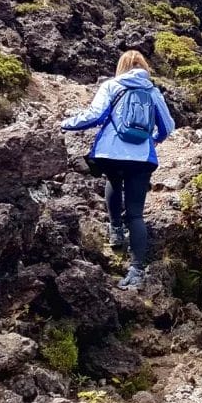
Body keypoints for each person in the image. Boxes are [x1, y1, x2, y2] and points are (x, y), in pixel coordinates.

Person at [61, 50, 176, 290]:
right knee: (136, 214)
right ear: (144, 67)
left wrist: (65, 124)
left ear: (121, 66)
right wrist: (153, 139)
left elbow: (95, 115)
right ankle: (136, 269)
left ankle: (115, 231)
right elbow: (168, 126)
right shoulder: (153, 91)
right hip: (142, 158)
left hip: (110, 153)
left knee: (113, 180)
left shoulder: (112, 85)